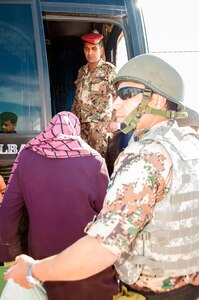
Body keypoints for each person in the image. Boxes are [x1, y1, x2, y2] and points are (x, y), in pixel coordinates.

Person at [4, 54, 199, 300]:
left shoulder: (146, 157)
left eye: (126, 94)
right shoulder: (190, 145)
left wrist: (33, 270)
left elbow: (102, 249)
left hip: (153, 292)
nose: (115, 103)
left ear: (158, 100)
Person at [0, 111, 119, 300]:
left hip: (41, 266)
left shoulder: (27, 157)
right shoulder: (94, 160)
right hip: (86, 268)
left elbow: (8, 210)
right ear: (75, 131)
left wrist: (10, 254)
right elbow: (109, 216)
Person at [71, 30, 116, 162]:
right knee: (82, 160)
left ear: (101, 50)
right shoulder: (82, 71)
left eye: (93, 49)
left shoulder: (109, 70)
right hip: (81, 125)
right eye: (86, 49)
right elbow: (77, 97)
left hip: (100, 125)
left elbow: (118, 96)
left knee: (98, 161)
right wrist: (72, 120)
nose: (89, 53)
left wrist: (114, 120)